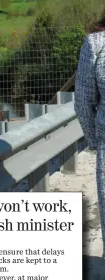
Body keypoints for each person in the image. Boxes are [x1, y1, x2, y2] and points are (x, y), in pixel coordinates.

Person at [74, 14, 105, 258]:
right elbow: (83, 100)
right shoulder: (96, 43)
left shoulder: (97, 43)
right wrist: (96, 142)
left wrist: (95, 141)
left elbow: (84, 100)